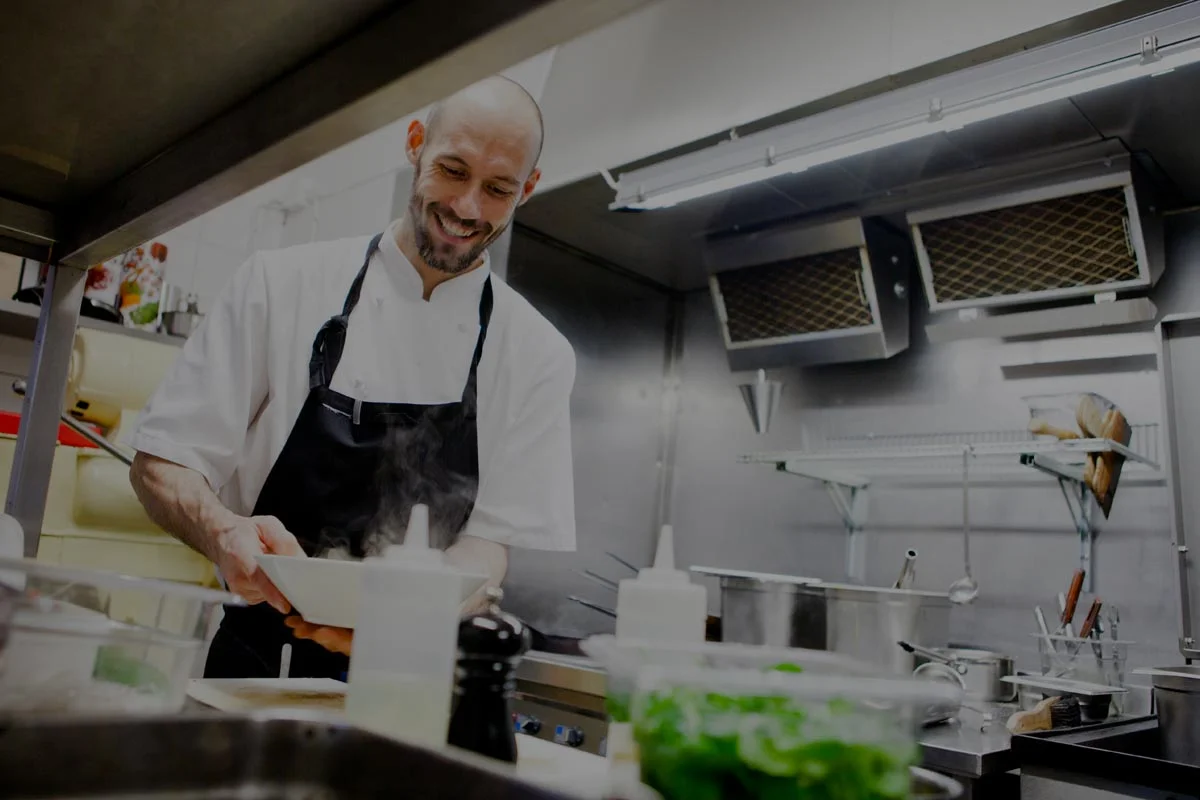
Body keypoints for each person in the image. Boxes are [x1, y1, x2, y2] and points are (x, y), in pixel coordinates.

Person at [127, 76, 576, 679]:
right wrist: (222, 532)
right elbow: (163, 462)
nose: (467, 209)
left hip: (410, 675)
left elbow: (488, 546)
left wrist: (414, 610)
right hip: (257, 661)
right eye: (451, 169)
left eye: (498, 188)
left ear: (528, 190)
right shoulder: (278, 284)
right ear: (415, 143)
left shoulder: (538, 352)